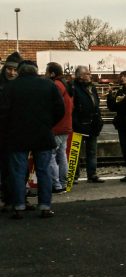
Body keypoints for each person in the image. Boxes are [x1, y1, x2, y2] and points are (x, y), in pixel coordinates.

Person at [0, 61, 64, 218]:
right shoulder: (48, 85)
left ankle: (19, 206)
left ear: (20, 72)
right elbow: (60, 109)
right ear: (36, 71)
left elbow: (2, 113)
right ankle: (45, 206)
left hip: (17, 136)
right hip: (42, 134)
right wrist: (48, 124)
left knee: (18, 172)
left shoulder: (10, 87)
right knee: (44, 171)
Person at [70, 66, 105, 183]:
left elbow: (96, 104)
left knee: (92, 151)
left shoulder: (92, 87)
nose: (90, 75)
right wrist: (75, 122)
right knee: (76, 151)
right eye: (88, 74)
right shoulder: (73, 88)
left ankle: (92, 174)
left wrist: (99, 119)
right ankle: (74, 176)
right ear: (80, 76)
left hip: (92, 124)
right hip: (79, 124)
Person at [45, 63, 73, 193]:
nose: (45, 74)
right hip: (66, 125)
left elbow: (51, 106)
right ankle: (63, 183)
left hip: (57, 127)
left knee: (51, 155)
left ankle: (56, 185)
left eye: (46, 72)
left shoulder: (56, 85)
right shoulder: (66, 84)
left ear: (52, 73)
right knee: (61, 155)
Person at [0, 52, 20, 211]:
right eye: (9, 69)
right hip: (3, 132)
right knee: (6, 168)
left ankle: (15, 198)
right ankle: (8, 198)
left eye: (15, 70)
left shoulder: (21, 86)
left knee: (18, 168)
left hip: (16, 133)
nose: (12, 73)